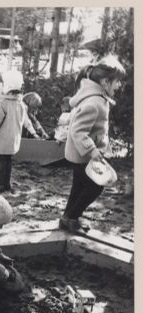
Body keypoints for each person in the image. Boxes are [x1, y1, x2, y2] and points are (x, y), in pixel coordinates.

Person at [60, 55, 125, 232]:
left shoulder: (97, 98)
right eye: (117, 82)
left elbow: (96, 128)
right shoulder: (93, 102)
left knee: (79, 186)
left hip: (82, 154)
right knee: (96, 186)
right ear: (105, 82)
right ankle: (71, 217)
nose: (119, 86)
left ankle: (68, 217)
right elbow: (78, 131)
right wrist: (93, 151)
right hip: (84, 155)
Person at [0, 71, 33, 193]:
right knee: (8, 160)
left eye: (1, 84)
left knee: (1, 161)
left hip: (2, 140)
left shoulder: (2, 103)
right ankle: (6, 183)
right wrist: (32, 130)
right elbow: (26, 120)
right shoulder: (20, 103)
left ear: (7, 86)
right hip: (13, 139)